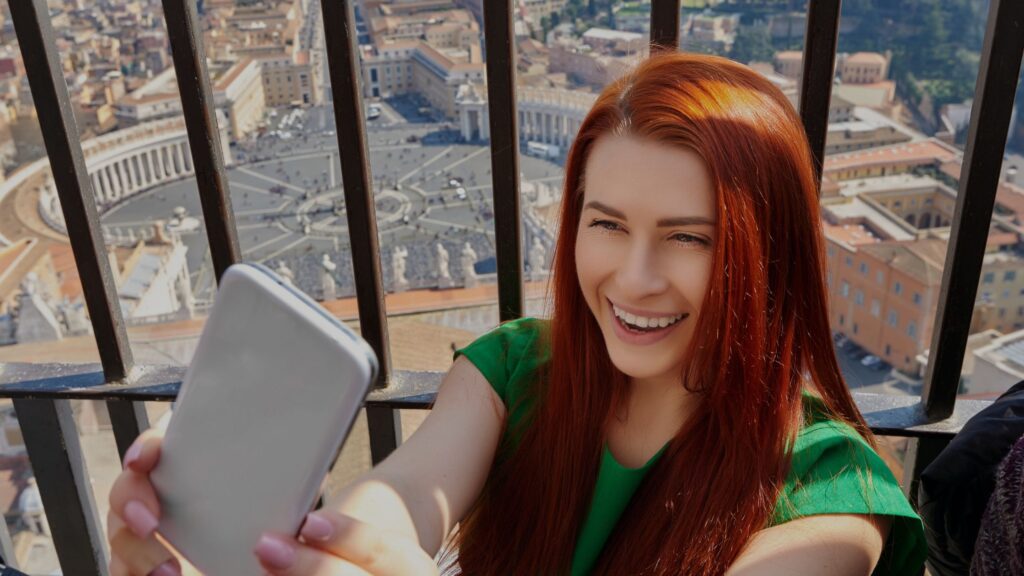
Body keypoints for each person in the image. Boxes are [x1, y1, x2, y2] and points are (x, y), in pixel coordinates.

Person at [106, 52, 926, 576]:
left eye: (689, 238)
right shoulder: (514, 369)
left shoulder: (833, 500)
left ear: (765, 253)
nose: (634, 279)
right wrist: (309, 555)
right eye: (605, 223)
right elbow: (405, 494)